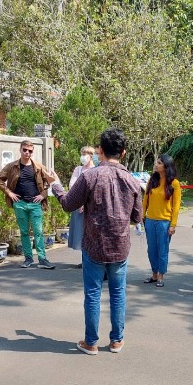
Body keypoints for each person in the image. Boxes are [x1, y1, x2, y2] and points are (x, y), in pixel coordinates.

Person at [48, 128, 143, 355]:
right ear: (124, 152)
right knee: (118, 293)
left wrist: (56, 185)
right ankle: (116, 341)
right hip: (120, 245)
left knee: (93, 293)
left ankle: (91, 342)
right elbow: (137, 217)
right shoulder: (132, 180)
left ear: (100, 151)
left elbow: (68, 204)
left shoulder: (89, 176)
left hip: (93, 244)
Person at [0, 140, 56, 270]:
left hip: (35, 204)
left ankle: (42, 259)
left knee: (38, 231)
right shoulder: (12, 167)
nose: (27, 153)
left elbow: (50, 182)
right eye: (25, 150)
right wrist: (9, 193)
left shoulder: (38, 167)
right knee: (24, 232)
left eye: (30, 151)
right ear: (20, 149)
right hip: (20, 203)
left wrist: (43, 195)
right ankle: (28, 258)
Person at [142, 154, 181, 287]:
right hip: (150, 220)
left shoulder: (174, 183)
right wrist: (142, 216)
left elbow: (176, 206)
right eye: (156, 162)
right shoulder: (152, 180)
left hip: (165, 222)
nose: (156, 165)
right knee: (151, 250)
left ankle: (161, 276)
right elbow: (145, 200)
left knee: (162, 250)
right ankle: (153, 274)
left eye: (159, 163)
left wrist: (173, 224)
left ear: (166, 166)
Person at [67, 146, 96, 267]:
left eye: (86, 154)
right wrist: (79, 202)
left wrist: (85, 202)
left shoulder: (96, 170)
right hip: (78, 206)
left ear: (91, 156)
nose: (83, 156)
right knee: (81, 233)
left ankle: (92, 259)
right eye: (82, 153)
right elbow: (72, 185)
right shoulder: (78, 170)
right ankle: (85, 259)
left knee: (91, 232)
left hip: (91, 207)